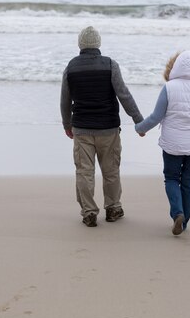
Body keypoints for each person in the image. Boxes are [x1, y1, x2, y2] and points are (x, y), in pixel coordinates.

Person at [60, 26, 144, 227]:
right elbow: (124, 95)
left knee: (84, 172)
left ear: (80, 44)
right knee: (111, 171)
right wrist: (139, 120)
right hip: (108, 130)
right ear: (98, 44)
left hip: (81, 129)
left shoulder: (71, 67)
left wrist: (67, 124)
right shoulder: (110, 65)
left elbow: (64, 100)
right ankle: (113, 208)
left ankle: (89, 212)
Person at [135, 50, 190, 236]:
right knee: (189, 182)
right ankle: (184, 222)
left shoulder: (170, 87)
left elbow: (156, 116)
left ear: (175, 67)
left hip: (173, 143)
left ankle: (177, 213)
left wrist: (141, 128)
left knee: (172, 178)